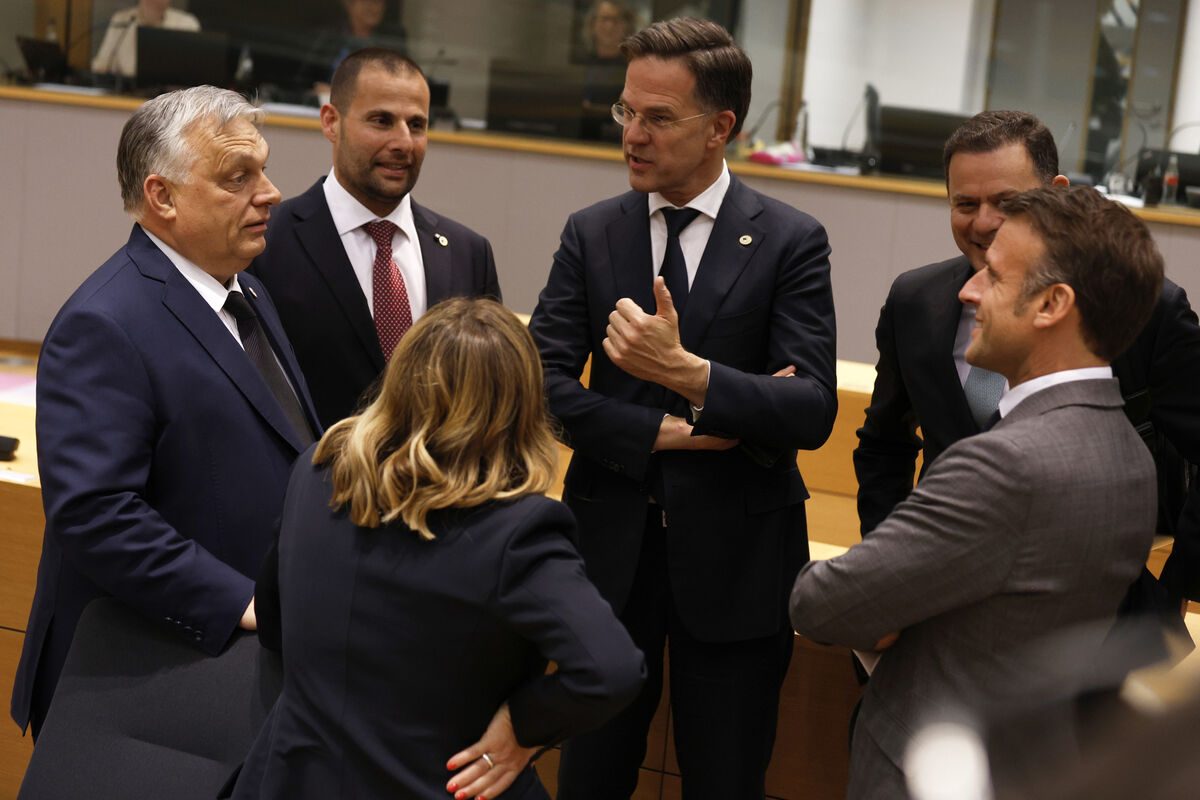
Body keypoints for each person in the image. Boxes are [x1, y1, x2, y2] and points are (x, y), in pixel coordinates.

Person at [528, 17, 837, 799]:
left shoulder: (790, 241)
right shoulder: (592, 233)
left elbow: (809, 409)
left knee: (724, 781)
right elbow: (542, 381)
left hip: (739, 567)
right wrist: (654, 431)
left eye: (658, 118)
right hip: (606, 560)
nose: (633, 134)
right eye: (626, 112)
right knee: (590, 779)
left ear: (720, 128)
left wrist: (691, 375)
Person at [791, 185, 1165, 799]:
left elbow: (821, 603)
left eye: (992, 276)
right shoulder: (1128, 452)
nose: (968, 291)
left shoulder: (1001, 465)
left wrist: (894, 611)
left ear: (1051, 304)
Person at [229, 297, 645, 800]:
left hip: (290, 779)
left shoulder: (316, 473)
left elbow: (275, 624)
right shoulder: (519, 530)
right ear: (519, 406)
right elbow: (611, 670)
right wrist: (521, 730)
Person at [11, 86, 319, 738]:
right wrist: (245, 602)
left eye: (262, 169)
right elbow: (96, 514)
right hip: (136, 685)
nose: (270, 193)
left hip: (228, 681)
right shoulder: (105, 322)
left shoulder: (249, 290)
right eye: (238, 177)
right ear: (163, 196)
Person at [853, 110, 1200, 611]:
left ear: (1056, 192)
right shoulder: (915, 300)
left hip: (1092, 627)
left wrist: (1177, 587)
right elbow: (884, 446)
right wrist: (887, 575)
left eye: (1007, 203)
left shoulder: (1145, 307)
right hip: (938, 612)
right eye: (965, 204)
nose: (984, 222)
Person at [249, 47, 499, 430]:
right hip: (314, 483)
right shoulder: (266, 244)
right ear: (331, 122)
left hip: (439, 486)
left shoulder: (469, 253)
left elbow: (489, 396)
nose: (403, 142)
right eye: (382, 121)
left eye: (416, 125)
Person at [91, 0, 201, 79]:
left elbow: (194, 75)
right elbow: (101, 66)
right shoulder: (121, 19)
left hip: (172, 100)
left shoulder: (187, 24)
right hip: (127, 95)